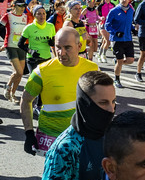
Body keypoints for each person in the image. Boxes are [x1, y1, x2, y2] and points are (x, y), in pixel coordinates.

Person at [22, 28, 99, 156]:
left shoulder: (92, 69)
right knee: (55, 175)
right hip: (51, 136)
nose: (61, 52)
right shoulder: (42, 71)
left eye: (67, 47)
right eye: (58, 47)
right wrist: (29, 133)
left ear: (79, 46)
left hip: (82, 135)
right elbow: (26, 100)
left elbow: (101, 100)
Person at [0, 0, 32, 102]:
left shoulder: (25, 17)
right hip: (10, 46)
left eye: (24, 6)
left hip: (21, 46)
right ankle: (8, 86)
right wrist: (0, 41)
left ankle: (12, 94)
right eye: (20, 6)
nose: (22, 8)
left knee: (20, 73)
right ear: (14, 6)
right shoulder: (8, 16)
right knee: (18, 71)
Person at [103, 0, 136, 89]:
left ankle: (118, 62)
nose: (124, 0)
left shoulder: (131, 10)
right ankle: (117, 79)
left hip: (128, 39)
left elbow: (129, 23)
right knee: (120, 60)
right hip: (117, 40)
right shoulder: (114, 11)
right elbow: (107, 25)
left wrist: (133, 29)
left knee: (130, 60)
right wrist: (115, 32)